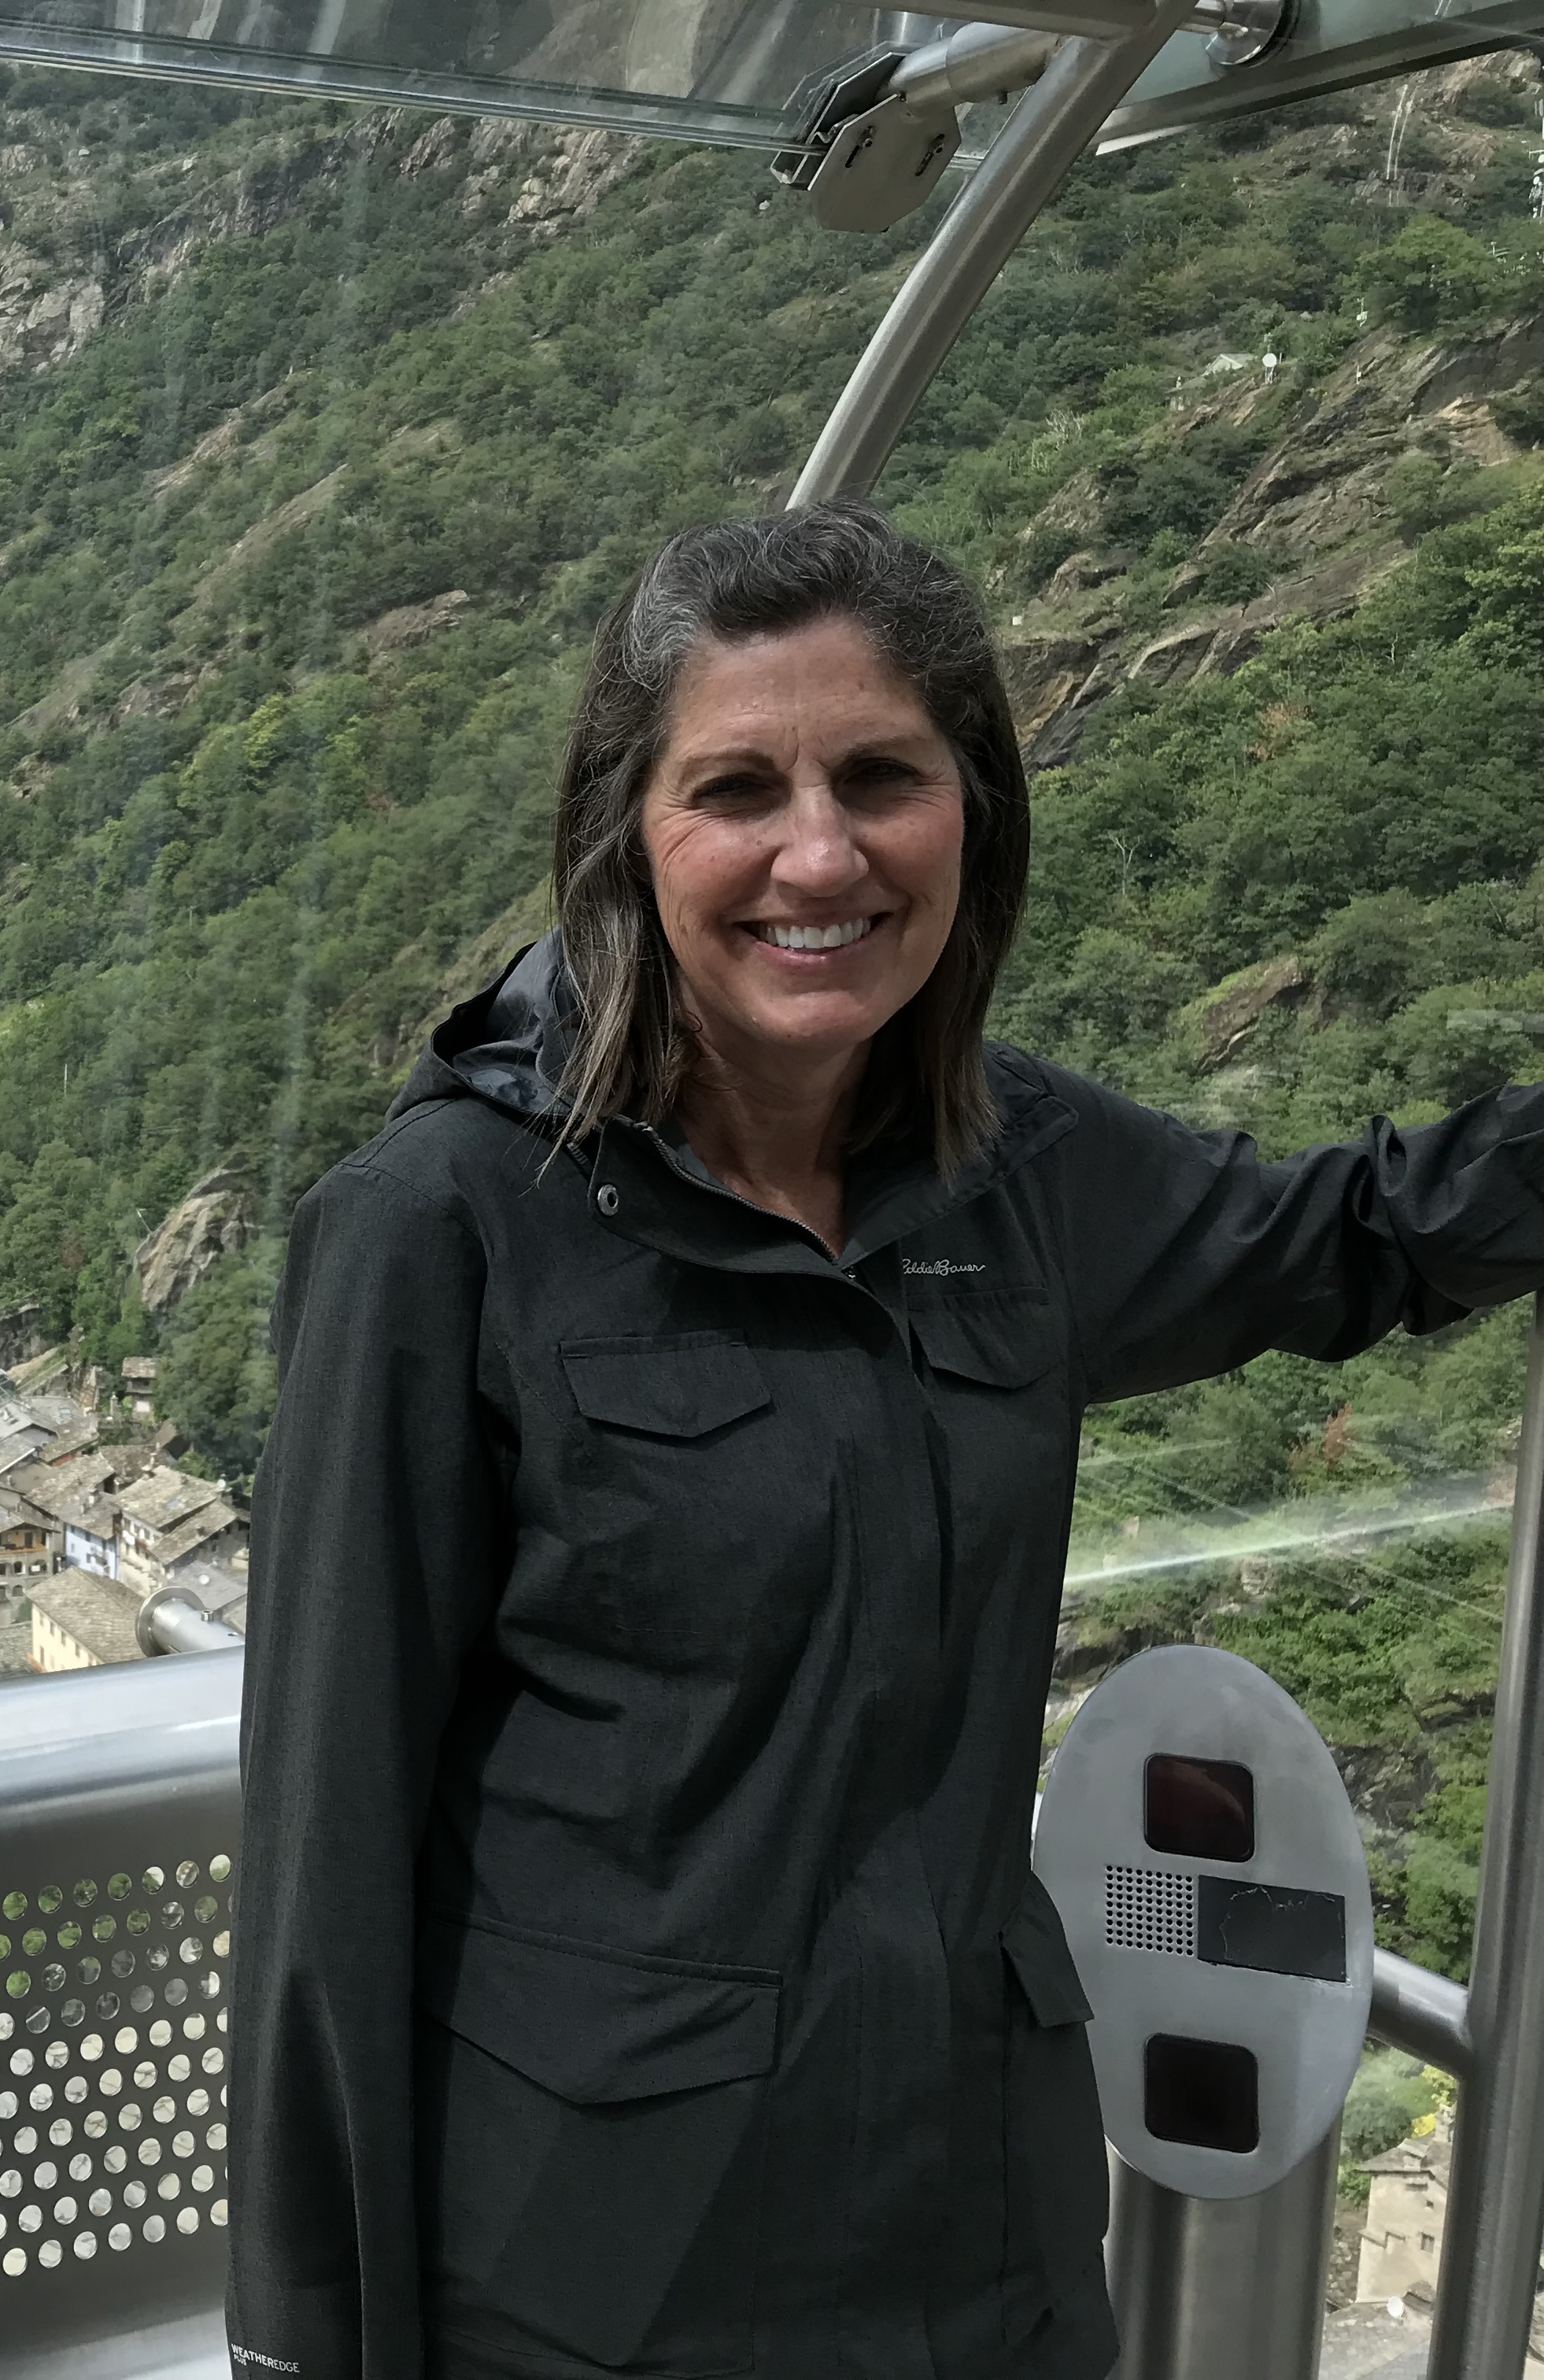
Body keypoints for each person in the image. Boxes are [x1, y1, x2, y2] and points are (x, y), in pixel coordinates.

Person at [223, 502, 1544, 2380]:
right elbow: (327, 1835)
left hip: (975, 2238)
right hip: (598, 2267)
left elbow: (1351, 1237)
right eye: (737, 789)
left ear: (972, 815)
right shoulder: (443, 1227)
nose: (818, 854)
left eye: (881, 777)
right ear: (631, 833)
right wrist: (310, 2333)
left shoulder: (1024, 1183)